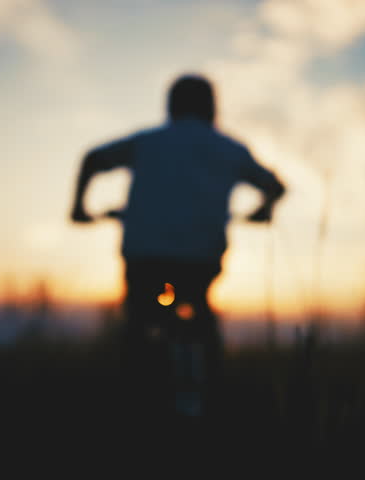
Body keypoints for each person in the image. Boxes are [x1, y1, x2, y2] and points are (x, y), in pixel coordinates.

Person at [69, 74, 285, 415]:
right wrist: (263, 211)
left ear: (170, 105)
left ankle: (134, 399)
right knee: (198, 309)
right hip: (200, 261)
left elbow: (92, 160)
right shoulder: (230, 148)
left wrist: (78, 208)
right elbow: (275, 185)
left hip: (145, 259)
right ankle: (210, 395)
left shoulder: (147, 142)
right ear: (213, 107)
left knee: (140, 320)